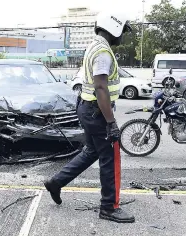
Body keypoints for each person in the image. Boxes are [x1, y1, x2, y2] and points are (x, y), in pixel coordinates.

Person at [43, 12, 135, 223]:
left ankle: (56, 182)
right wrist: (111, 123)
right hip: (97, 113)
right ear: (114, 29)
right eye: (122, 32)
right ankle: (108, 208)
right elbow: (101, 87)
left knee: (91, 152)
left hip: (87, 109)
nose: (123, 37)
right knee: (109, 159)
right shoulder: (103, 52)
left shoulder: (95, 45)